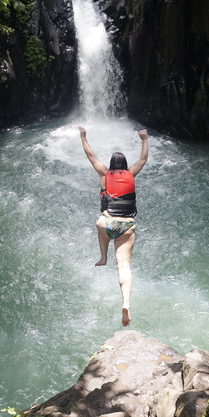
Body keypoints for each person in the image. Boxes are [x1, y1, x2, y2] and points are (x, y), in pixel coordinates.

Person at [79, 126, 149, 327]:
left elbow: (90, 155)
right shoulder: (131, 173)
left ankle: (103, 257)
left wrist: (83, 136)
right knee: (124, 267)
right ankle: (126, 304)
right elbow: (143, 159)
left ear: (110, 164)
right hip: (127, 227)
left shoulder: (104, 173)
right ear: (125, 165)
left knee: (101, 225)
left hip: (106, 223)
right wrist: (144, 139)